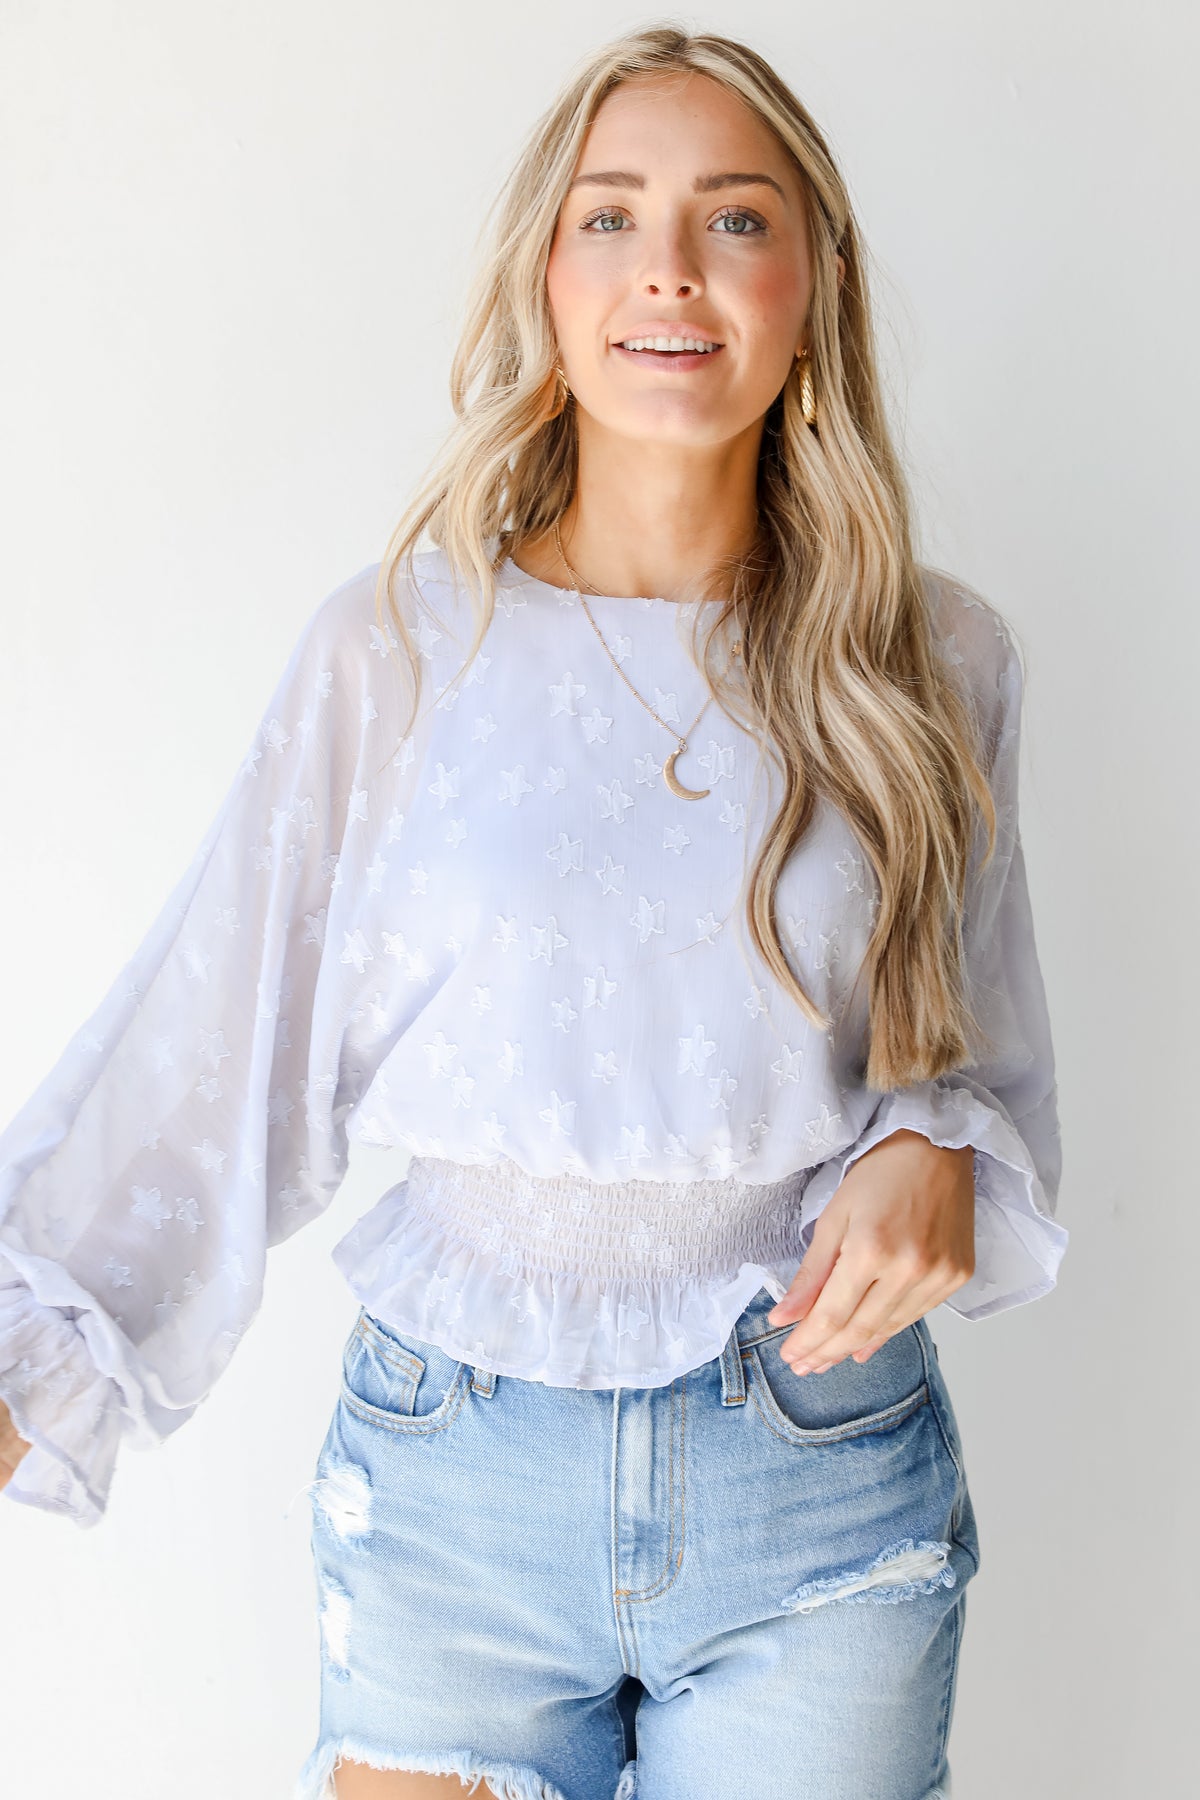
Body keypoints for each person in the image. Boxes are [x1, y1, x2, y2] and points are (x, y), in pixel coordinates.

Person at [0, 23, 1069, 1800]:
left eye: (736, 218)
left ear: (812, 286)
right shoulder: (398, 649)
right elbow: (215, 1051)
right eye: (611, 216)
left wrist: (930, 1141)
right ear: (546, 281)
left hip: (815, 1481)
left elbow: (969, 1062)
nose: (670, 267)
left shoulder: (937, 659)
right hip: (453, 1491)